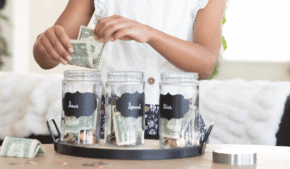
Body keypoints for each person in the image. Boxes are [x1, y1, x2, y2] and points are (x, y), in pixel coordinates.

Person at [33, 0, 226, 140]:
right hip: (109, 119)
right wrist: (44, 45)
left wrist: (149, 34)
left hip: (175, 118)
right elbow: (48, 58)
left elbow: (206, 63)